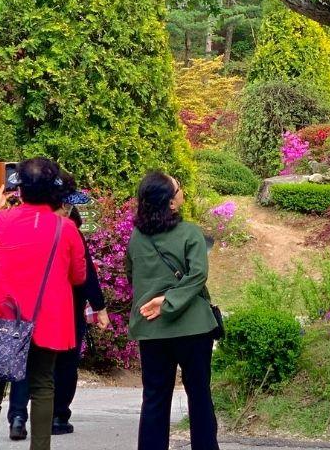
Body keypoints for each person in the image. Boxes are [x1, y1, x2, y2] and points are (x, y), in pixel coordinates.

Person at [0, 158, 87, 450]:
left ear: (19, 189)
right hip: (47, 319)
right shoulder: (66, 229)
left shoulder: (4, 220)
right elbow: (78, 275)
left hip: (6, 316)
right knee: (43, 384)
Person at [7, 174, 111, 440]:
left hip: (25, 306)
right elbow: (84, 274)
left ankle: (18, 416)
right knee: (65, 362)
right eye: (69, 204)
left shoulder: (25, 225)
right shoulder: (68, 231)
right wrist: (99, 306)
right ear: (63, 204)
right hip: (64, 308)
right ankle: (57, 415)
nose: (71, 209)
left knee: (25, 361)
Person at [125, 171, 220, 450]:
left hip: (151, 330)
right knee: (199, 395)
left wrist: (157, 301)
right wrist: (170, 301)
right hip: (193, 328)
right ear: (170, 202)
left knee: (154, 397)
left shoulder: (136, 238)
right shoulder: (190, 232)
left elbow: (133, 276)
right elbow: (198, 275)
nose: (182, 191)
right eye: (179, 188)